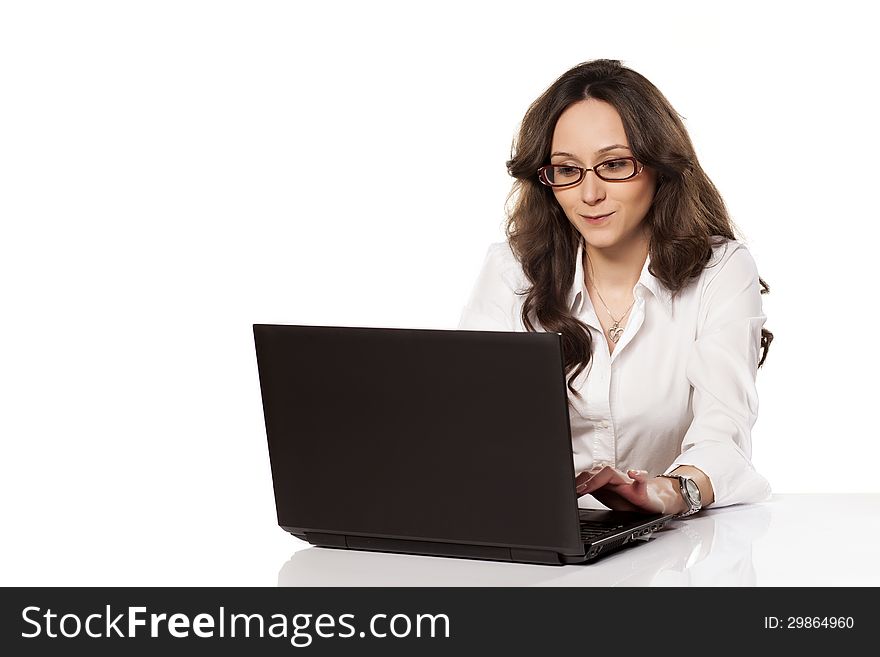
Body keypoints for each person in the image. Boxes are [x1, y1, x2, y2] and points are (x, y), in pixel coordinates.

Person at [458, 59, 773, 517]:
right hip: (536, 529)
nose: (589, 195)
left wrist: (669, 491)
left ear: (658, 167)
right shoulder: (512, 270)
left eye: (614, 165)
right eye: (567, 170)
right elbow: (468, 420)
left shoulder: (719, 269)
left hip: (672, 550)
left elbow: (723, 433)